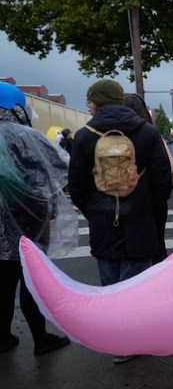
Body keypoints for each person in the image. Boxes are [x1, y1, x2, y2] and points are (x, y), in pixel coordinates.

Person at [69, 80, 172, 300]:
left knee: (111, 294)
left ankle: (113, 333)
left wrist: (95, 210)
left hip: (103, 226)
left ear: (97, 102)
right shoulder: (148, 133)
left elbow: (76, 187)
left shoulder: (83, 136)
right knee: (138, 295)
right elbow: (162, 182)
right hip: (141, 225)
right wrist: (147, 210)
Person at [0, 82, 71, 356]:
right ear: (16, 108)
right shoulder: (27, 136)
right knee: (31, 280)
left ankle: (3, 338)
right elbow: (57, 174)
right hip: (30, 224)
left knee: (2, 284)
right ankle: (41, 338)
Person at [123, 92, 171, 263]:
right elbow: (163, 172)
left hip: (116, 206)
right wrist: (159, 201)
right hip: (150, 203)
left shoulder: (102, 135)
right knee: (156, 248)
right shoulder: (150, 133)